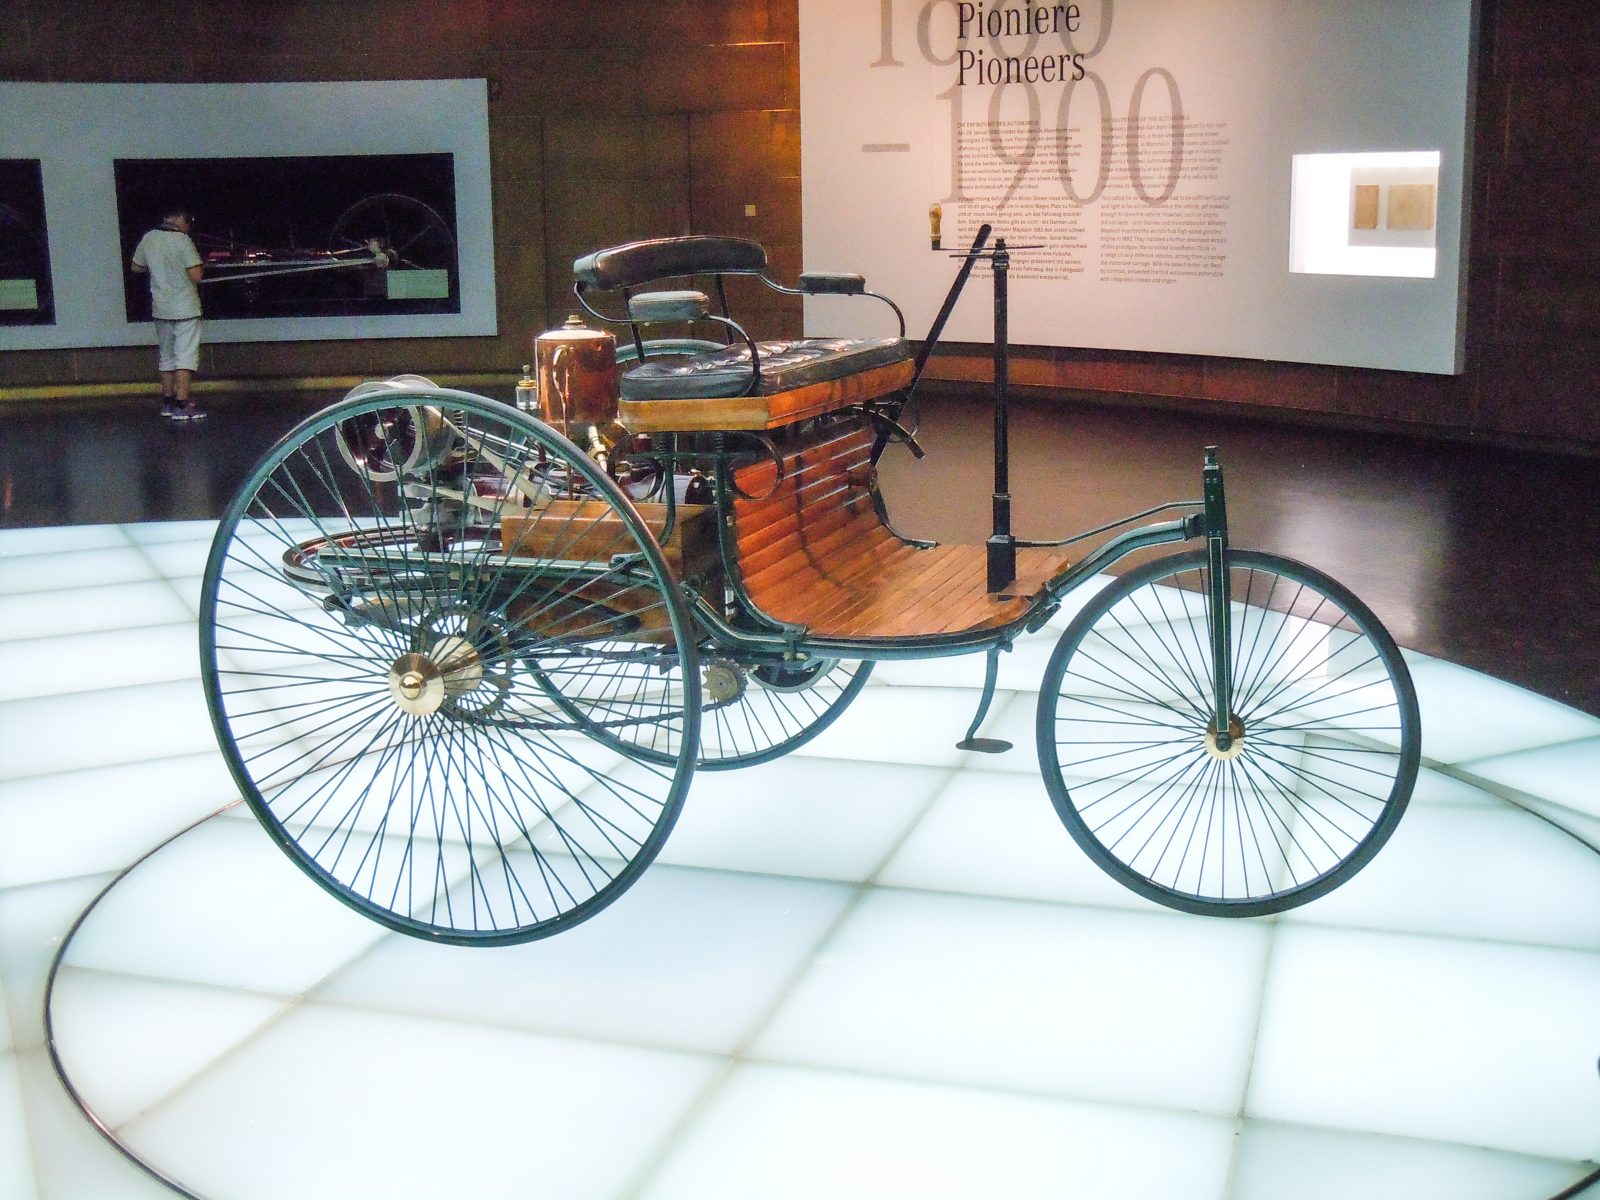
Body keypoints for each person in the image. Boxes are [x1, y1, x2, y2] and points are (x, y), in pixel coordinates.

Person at [130, 206, 205, 420]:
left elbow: (136, 267)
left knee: (166, 356)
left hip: (161, 307)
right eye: (188, 220)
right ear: (178, 218)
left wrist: (157, 267)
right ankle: (182, 404)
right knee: (185, 357)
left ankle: (168, 401)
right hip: (185, 307)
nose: (189, 224)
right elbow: (196, 275)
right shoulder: (183, 241)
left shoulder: (149, 238)